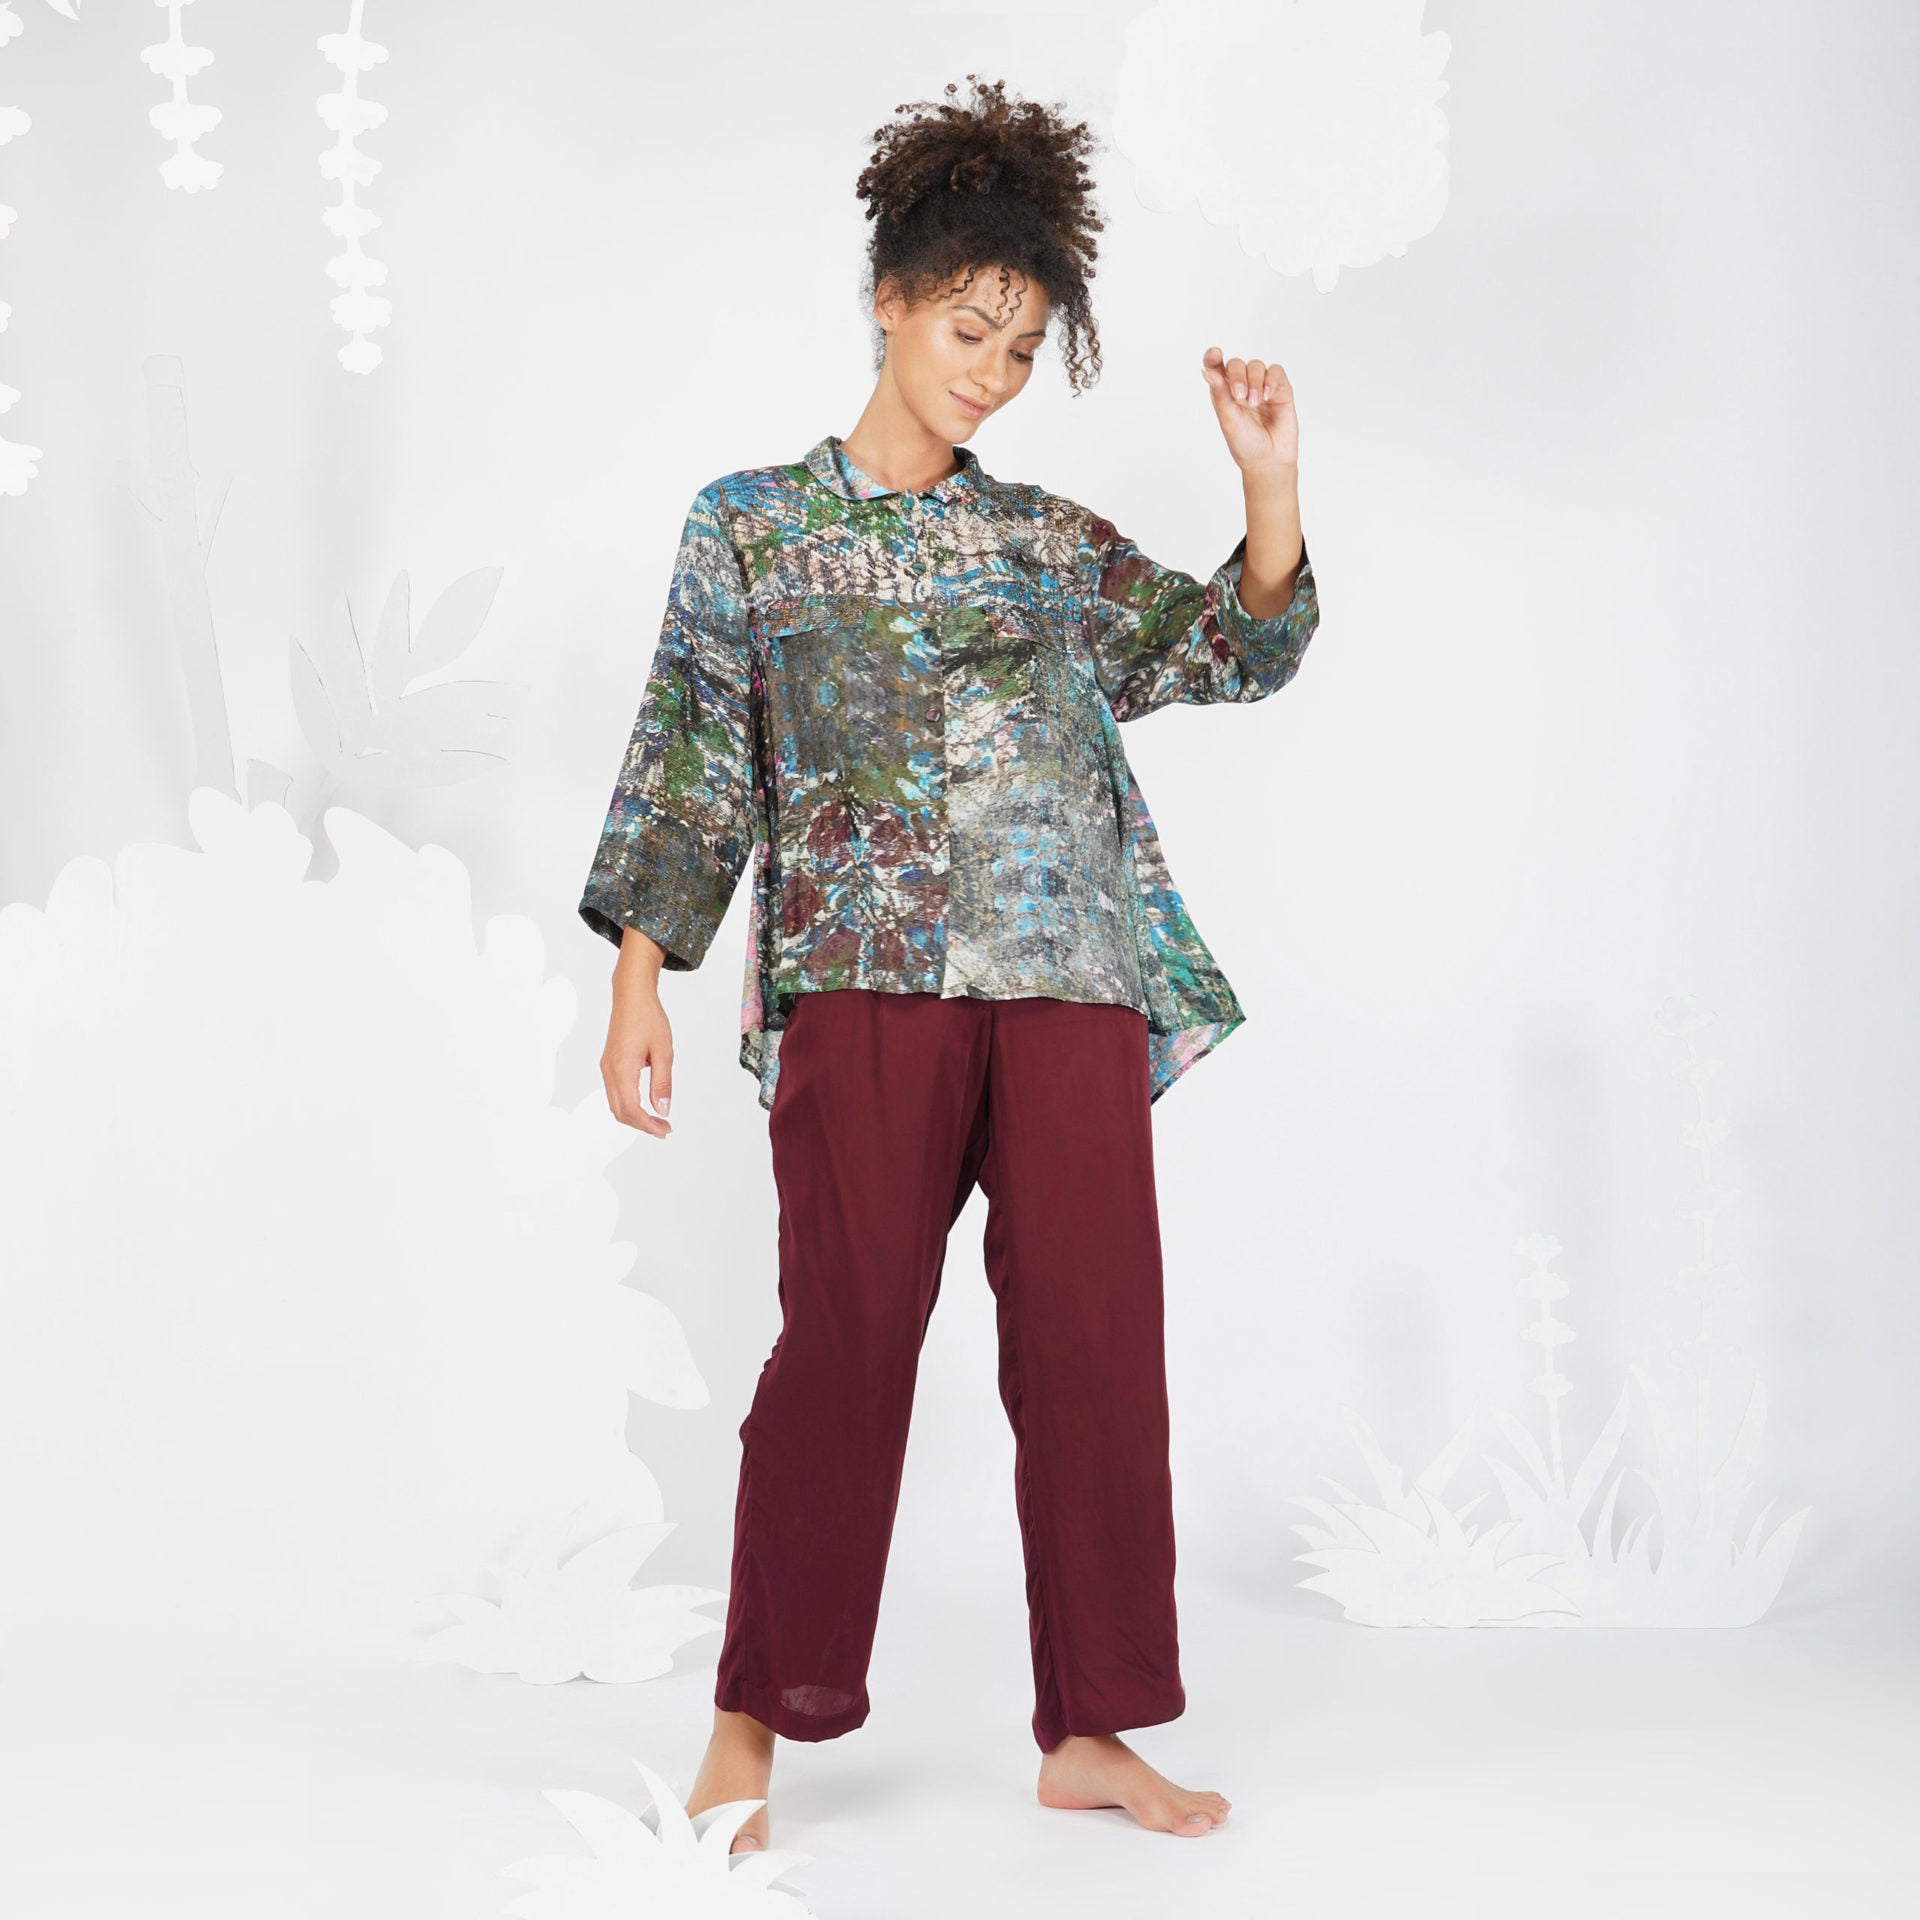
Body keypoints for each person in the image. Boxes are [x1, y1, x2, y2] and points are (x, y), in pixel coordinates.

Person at [577, 74, 1320, 1852]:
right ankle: (751, 1726)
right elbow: (692, 757)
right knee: (844, 1348)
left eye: (1025, 347)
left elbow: (1233, 649)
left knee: (1093, 1352)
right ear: (892, 301)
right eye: (970, 331)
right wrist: (638, 982)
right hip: (867, 978)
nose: (993, 370)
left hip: (1067, 981)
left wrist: (1271, 483)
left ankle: (1094, 1729)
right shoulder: (751, 525)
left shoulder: (1047, 546)